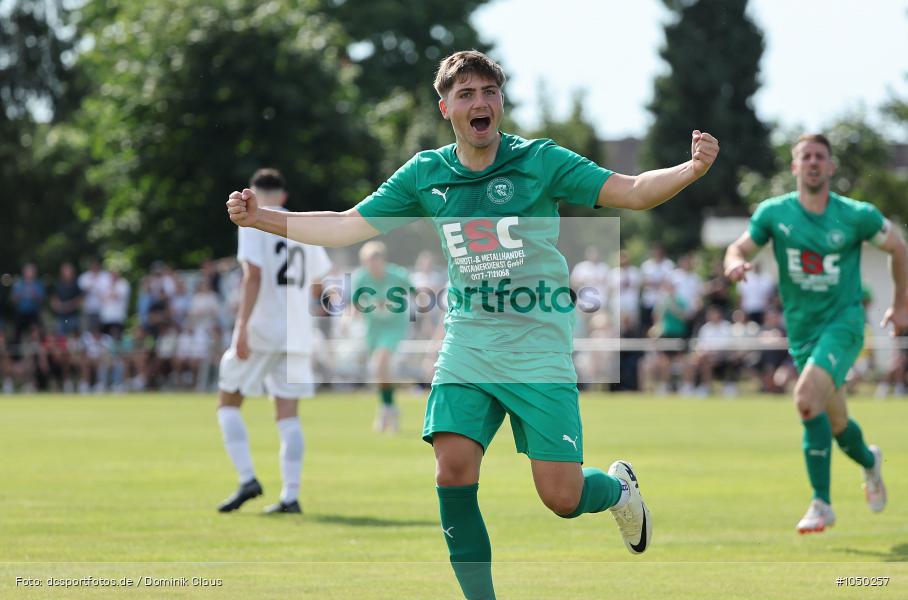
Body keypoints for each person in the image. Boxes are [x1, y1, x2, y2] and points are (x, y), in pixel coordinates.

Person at [226, 51, 719, 598]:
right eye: (465, 94)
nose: (479, 102)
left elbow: (632, 191)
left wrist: (691, 169)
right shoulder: (426, 174)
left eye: (488, 91)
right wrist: (260, 218)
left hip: (538, 347)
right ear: (446, 108)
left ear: (500, 103)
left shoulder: (540, 160)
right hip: (467, 343)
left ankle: (619, 492)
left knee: (561, 496)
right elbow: (345, 227)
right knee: (452, 471)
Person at [724, 133, 908, 534]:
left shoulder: (856, 215)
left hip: (843, 326)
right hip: (803, 334)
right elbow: (737, 248)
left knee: (806, 400)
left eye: (819, 157)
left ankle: (821, 504)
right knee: (836, 423)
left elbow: (898, 247)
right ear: (794, 167)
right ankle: (870, 462)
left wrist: (902, 304)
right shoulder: (775, 214)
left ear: (830, 167)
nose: (812, 162)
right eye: (805, 156)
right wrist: (735, 264)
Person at [216, 168, 332, 515]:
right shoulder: (299, 223)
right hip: (296, 330)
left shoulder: (252, 219)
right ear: (283, 197)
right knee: (288, 414)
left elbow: (253, 275)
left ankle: (247, 478)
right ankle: (290, 496)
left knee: (228, 401)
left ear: (251, 193)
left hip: (263, 326)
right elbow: (319, 282)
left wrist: (241, 328)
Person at [352, 241, 413, 433]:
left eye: (376, 261)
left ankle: (386, 408)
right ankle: (388, 406)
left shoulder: (397, 275)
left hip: (394, 326)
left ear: (383, 260)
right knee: (380, 370)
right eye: (369, 262)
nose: (373, 266)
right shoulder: (361, 278)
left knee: (381, 361)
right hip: (373, 327)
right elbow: (356, 303)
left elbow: (416, 293)